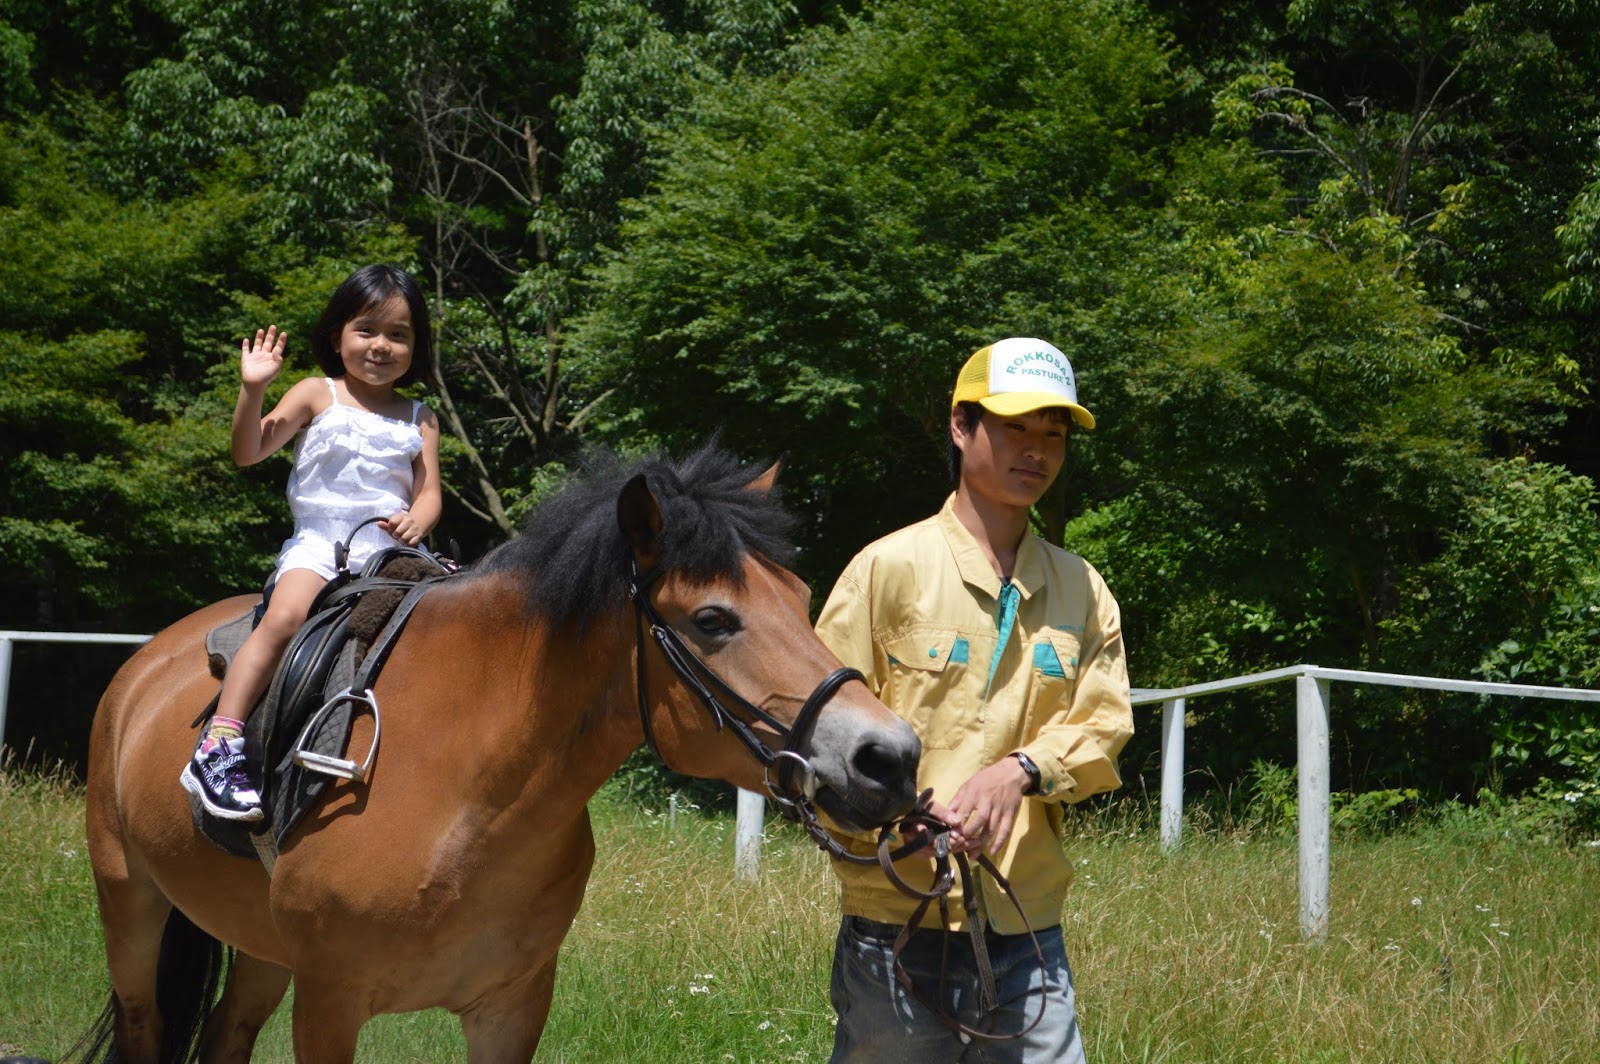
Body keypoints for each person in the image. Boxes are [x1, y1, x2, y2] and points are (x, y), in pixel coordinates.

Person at [814, 337, 1134, 1062]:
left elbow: (1105, 724)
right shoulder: (885, 570)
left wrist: (1020, 770)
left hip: (1029, 937)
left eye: (1053, 434)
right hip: (893, 935)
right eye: (1016, 427)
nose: (1037, 451)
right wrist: (888, 827)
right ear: (961, 426)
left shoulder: (1084, 590)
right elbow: (817, 745)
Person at [180, 265, 442, 822]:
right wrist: (253, 391)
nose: (381, 345)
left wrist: (418, 521)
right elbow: (248, 451)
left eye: (399, 335)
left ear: (416, 346)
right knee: (285, 617)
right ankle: (220, 743)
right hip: (321, 545)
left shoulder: (422, 418)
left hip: (391, 557)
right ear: (336, 337)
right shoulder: (315, 393)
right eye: (367, 330)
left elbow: (430, 494)